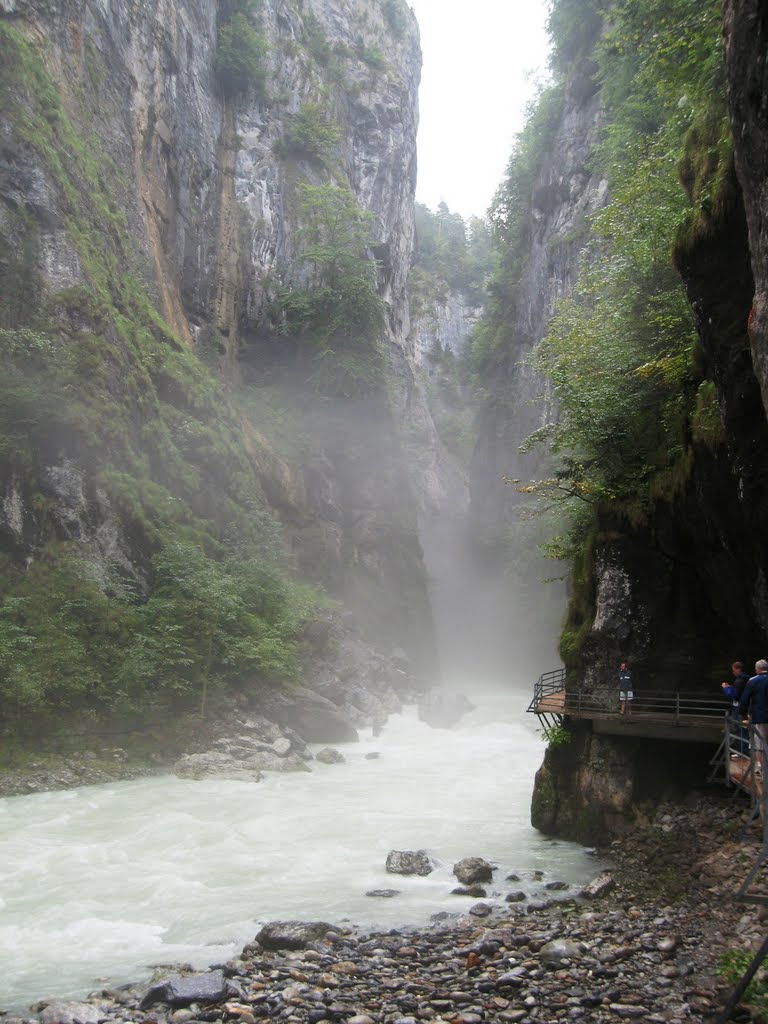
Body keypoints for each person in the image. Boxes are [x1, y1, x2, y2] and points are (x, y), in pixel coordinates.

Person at [738, 659, 768, 775]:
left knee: (759, 744)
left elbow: (744, 700)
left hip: (759, 717)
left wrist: (743, 715)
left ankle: (762, 769)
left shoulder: (753, 681)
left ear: (758, 669)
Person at [722, 661, 750, 756]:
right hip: (744, 707)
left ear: (738, 669)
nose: (733, 672)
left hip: (738, 708)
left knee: (739, 729)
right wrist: (731, 687)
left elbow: (734, 695)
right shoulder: (746, 679)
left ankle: (742, 752)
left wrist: (726, 688)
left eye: (734, 670)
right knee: (743, 729)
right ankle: (743, 750)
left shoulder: (739, 680)